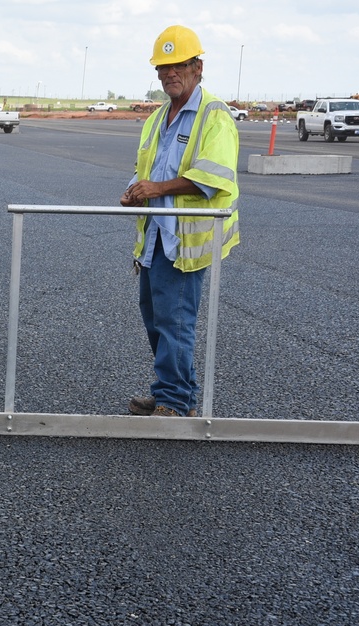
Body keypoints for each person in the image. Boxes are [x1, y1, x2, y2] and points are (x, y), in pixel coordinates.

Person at [119, 25, 240, 417]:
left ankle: (174, 400)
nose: (170, 74)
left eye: (179, 66)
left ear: (198, 67)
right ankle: (173, 390)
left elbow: (212, 178)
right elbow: (146, 169)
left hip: (186, 239)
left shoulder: (214, 115)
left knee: (175, 322)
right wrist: (135, 190)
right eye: (163, 68)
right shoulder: (158, 118)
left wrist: (155, 189)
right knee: (156, 319)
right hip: (156, 234)